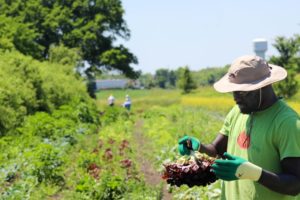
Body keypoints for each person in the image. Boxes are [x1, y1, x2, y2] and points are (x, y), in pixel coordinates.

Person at [178, 55, 300, 200]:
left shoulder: (287, 123)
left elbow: (295, 185)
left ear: (262, 87)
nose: (235, 98)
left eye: (241, 92)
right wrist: (199, 147)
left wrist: (254, 173)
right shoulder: (237, 112)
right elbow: (217, 150)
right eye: (233, 91)